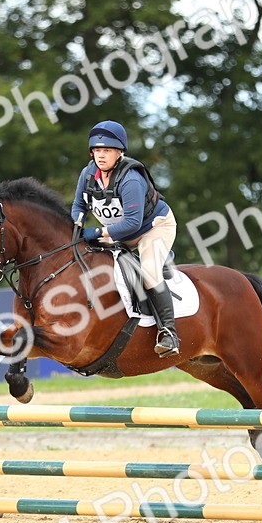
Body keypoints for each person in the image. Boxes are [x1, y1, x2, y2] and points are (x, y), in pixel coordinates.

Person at [70, 120, 180, 356]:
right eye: (97, 150)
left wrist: (98, 232)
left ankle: (169, 333)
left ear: (119, 152)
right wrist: (77, 225)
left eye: (107, 150)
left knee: (149, 272)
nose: (101, 155)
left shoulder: (130, 179)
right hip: (119, 231)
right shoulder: (87, 174)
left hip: (153, 228)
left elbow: (132, 223)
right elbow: (79, 204)